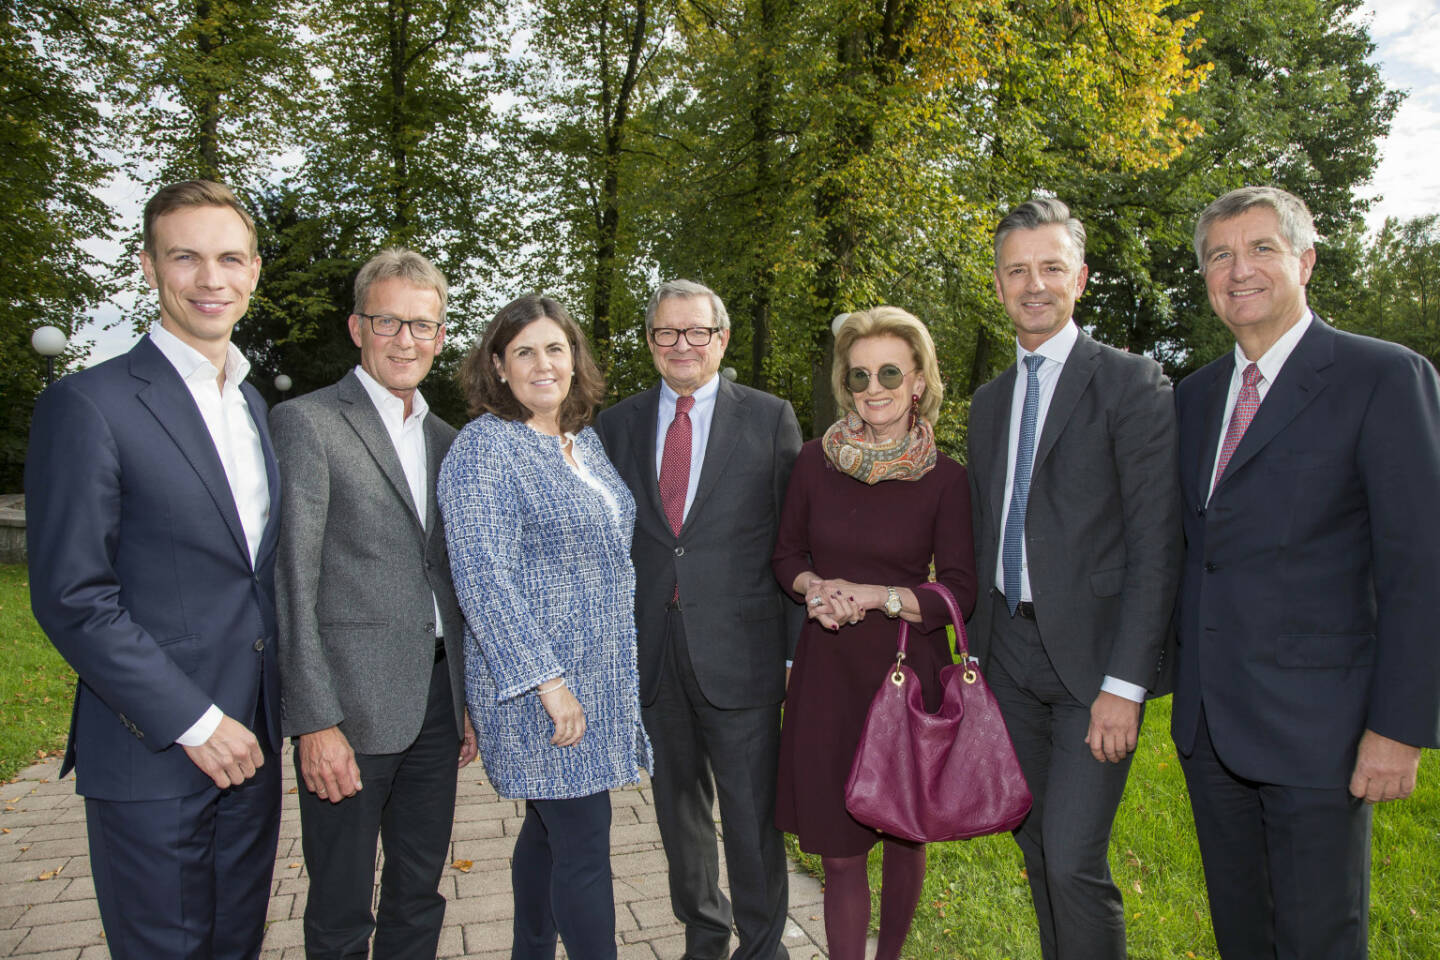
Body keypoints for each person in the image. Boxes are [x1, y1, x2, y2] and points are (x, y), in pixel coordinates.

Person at [1172, 186, 1440, 959]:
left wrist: (1398, 728)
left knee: (1319, 938)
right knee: (1243, 937)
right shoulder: (1193, 398)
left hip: (1321, 730)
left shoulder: (1382, 378)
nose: (1238, 269)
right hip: (1210, 727)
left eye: (1261, 248)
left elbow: (1419, 567)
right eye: (1220, 255)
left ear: (1306, 260)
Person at [25, 180, 281, 960]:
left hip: (253, 748)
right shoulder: (89, 404)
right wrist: (195, 723)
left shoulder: (252, 406)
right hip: (155, 750)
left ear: (254, 272)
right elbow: (72, 596)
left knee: (235, 945)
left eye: (230, 258)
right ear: (148, 267)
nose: (211, 279)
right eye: (186, 257)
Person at [965, 198, 1182, 960]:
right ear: (997, 284)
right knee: (1034, 851)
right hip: (1010, 662)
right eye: (1017, 270)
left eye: (1051, 267)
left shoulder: (1132, 384)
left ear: (1080, 278)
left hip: (1093, 668)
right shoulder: (989, 402)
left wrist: (1125, 684)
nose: (1034, 284)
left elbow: (1158, 545)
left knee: (1072, 858)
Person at [272, 248, 477, 959]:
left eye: (422, 325)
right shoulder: (308, 423)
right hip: (349, 709)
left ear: (441, 336)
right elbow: (292, 579)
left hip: (436, 702)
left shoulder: (451, 442)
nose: (405, 340)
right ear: (357, 326)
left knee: (419, 892)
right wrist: (314, 720)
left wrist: (466, 699)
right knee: (339, 903)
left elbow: (450, 577)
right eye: (388, 321)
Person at [438, 295, 651, 960]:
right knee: (584, 842)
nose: (542, 363)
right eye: (523, 350)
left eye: (555, 348)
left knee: (550, 832)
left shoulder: (579, 441)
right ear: (498, 365)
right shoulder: (485, 448)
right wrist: (547, 682)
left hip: (597, 678)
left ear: (574, 358)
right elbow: (483, 578)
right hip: (540, 688)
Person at [595, 279, 801, 960]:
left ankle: (763, 945)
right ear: (650, 340)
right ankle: (704, 938)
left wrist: (796, 653)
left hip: (741, 653)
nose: (682, 345)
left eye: (696, 332)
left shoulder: (770, 419)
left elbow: (793, 542)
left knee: (750, 816)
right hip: (652, 651)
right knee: (678, 815)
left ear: (723, 338)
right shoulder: (616, 425)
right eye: (666, 333)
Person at [772, 306, 977, 960]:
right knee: (838, 851)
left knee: (901, 835)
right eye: (860, 375)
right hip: (827, 673)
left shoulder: (947, 480)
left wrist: (879, 597)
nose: (874, 387)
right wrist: (816, 590)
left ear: (919, 380)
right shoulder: (812, 463)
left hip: (902, 674)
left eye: (890, 371)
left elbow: (959, 594)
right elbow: (786, 557)